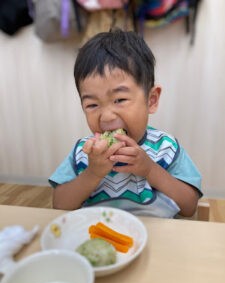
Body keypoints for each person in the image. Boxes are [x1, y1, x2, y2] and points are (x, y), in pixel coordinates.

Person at [49, 28, 202, 218]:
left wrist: (150, 169)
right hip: (98, 236)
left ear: (151, 100)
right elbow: (60, 205)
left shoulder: (166, 147)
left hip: (157, 237)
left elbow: (189, 207)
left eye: (120, 100)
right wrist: (92, 173)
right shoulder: (83, 152)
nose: (106, 117)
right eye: (92, 104)